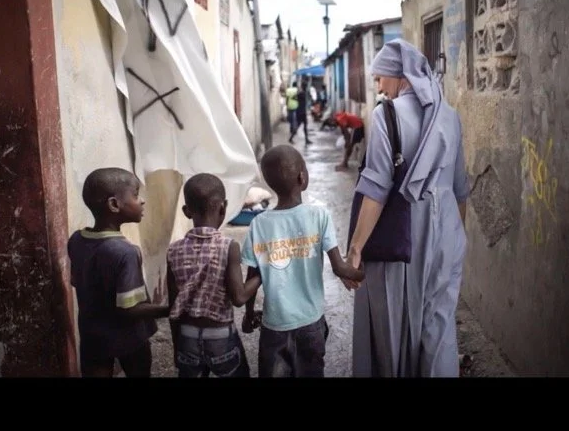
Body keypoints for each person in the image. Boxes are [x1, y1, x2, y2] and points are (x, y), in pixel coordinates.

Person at [343, 38, 470, 378]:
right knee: (440, 325)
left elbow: (377, 188)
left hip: (406, 229)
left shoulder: (386, 115)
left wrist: (355, 249)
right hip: (447, 230)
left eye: (380, 77)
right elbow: (460, 189)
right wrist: (454, 241)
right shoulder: (450, 115)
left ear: (400, 76)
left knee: (398, 324)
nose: (378, 86)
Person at [240, 145, 365, 377]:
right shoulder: (319, 215)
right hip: (311, 323)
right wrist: (362, 272)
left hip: (274, 325)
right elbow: (339, 268)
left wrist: (249, 315)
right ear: (302, 177)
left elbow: (251, 276)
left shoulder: (259, 223)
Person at [67, 167, 170, 378]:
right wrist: (168, 309)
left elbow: (77, 282)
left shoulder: (76, 240)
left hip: (92, 336)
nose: (142, 201)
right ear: (114, 205)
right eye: (136, 195)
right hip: (129, 338)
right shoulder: (125, 252)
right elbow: (129, 310)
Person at [166, 173, 262, 378]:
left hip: (187, 338)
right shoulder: (228, 247)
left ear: (186, 211)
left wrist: (177, 348)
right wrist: (261, 275)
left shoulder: (173, 251)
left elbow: (174, 307)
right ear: (223, 207)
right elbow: (239, 297)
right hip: (221, 338)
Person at [290, 80, 312, 145]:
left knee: (303, 126)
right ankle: (291, 138)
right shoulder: (302, 93)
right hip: (301, 112)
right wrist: (299, 98)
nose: (306, 87)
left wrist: (298, 99)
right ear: (304, 86)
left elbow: (293, 97)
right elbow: (294, 97)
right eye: (305, 86)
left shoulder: (302, 93)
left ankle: (306, 139)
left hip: (300, 111)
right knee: (301, 126)